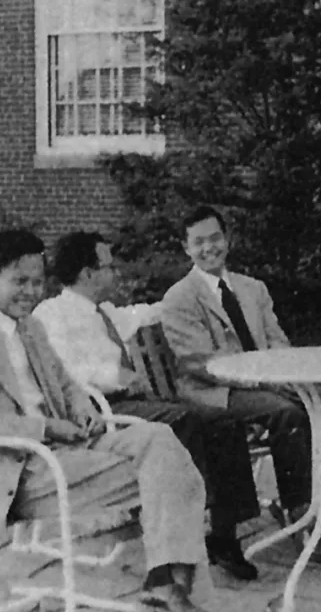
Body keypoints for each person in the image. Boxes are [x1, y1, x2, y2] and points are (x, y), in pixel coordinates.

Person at [0, 229, 212, 612]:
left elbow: (67, 385)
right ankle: (171, 584)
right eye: (19, 281)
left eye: (37, 282)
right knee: (167, 470)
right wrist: (47, 428)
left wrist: (83, 409)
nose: (30, 292)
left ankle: (165, 580)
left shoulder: (32, 328)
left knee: (160, 438)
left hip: (67, 448)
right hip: (20, 471)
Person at [32, 231, 261, 581]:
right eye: (108, 266)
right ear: (87, 273)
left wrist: (194, 295)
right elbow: (63, 371)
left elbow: (148, 313)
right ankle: (195, 513)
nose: (115, 272)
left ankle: (224, 532)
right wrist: (115, 376)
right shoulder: (52, 314)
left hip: (132, 404)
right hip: (100, 410)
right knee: (184, 419)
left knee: (221, 420)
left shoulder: (105, 312)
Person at [160, 205, 321, 567]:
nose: (209, 248)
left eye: (215, 238)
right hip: (214, 392)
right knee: (288, 414)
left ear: (227, 239)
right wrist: (264, 381)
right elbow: (200, 362)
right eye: (199, 242)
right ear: (186, 248)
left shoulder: (252, 288)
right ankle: (300, 514)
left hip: (263, 381)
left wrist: (285, 375)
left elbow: (276, 340)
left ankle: (319, 498)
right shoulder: (179, 298)